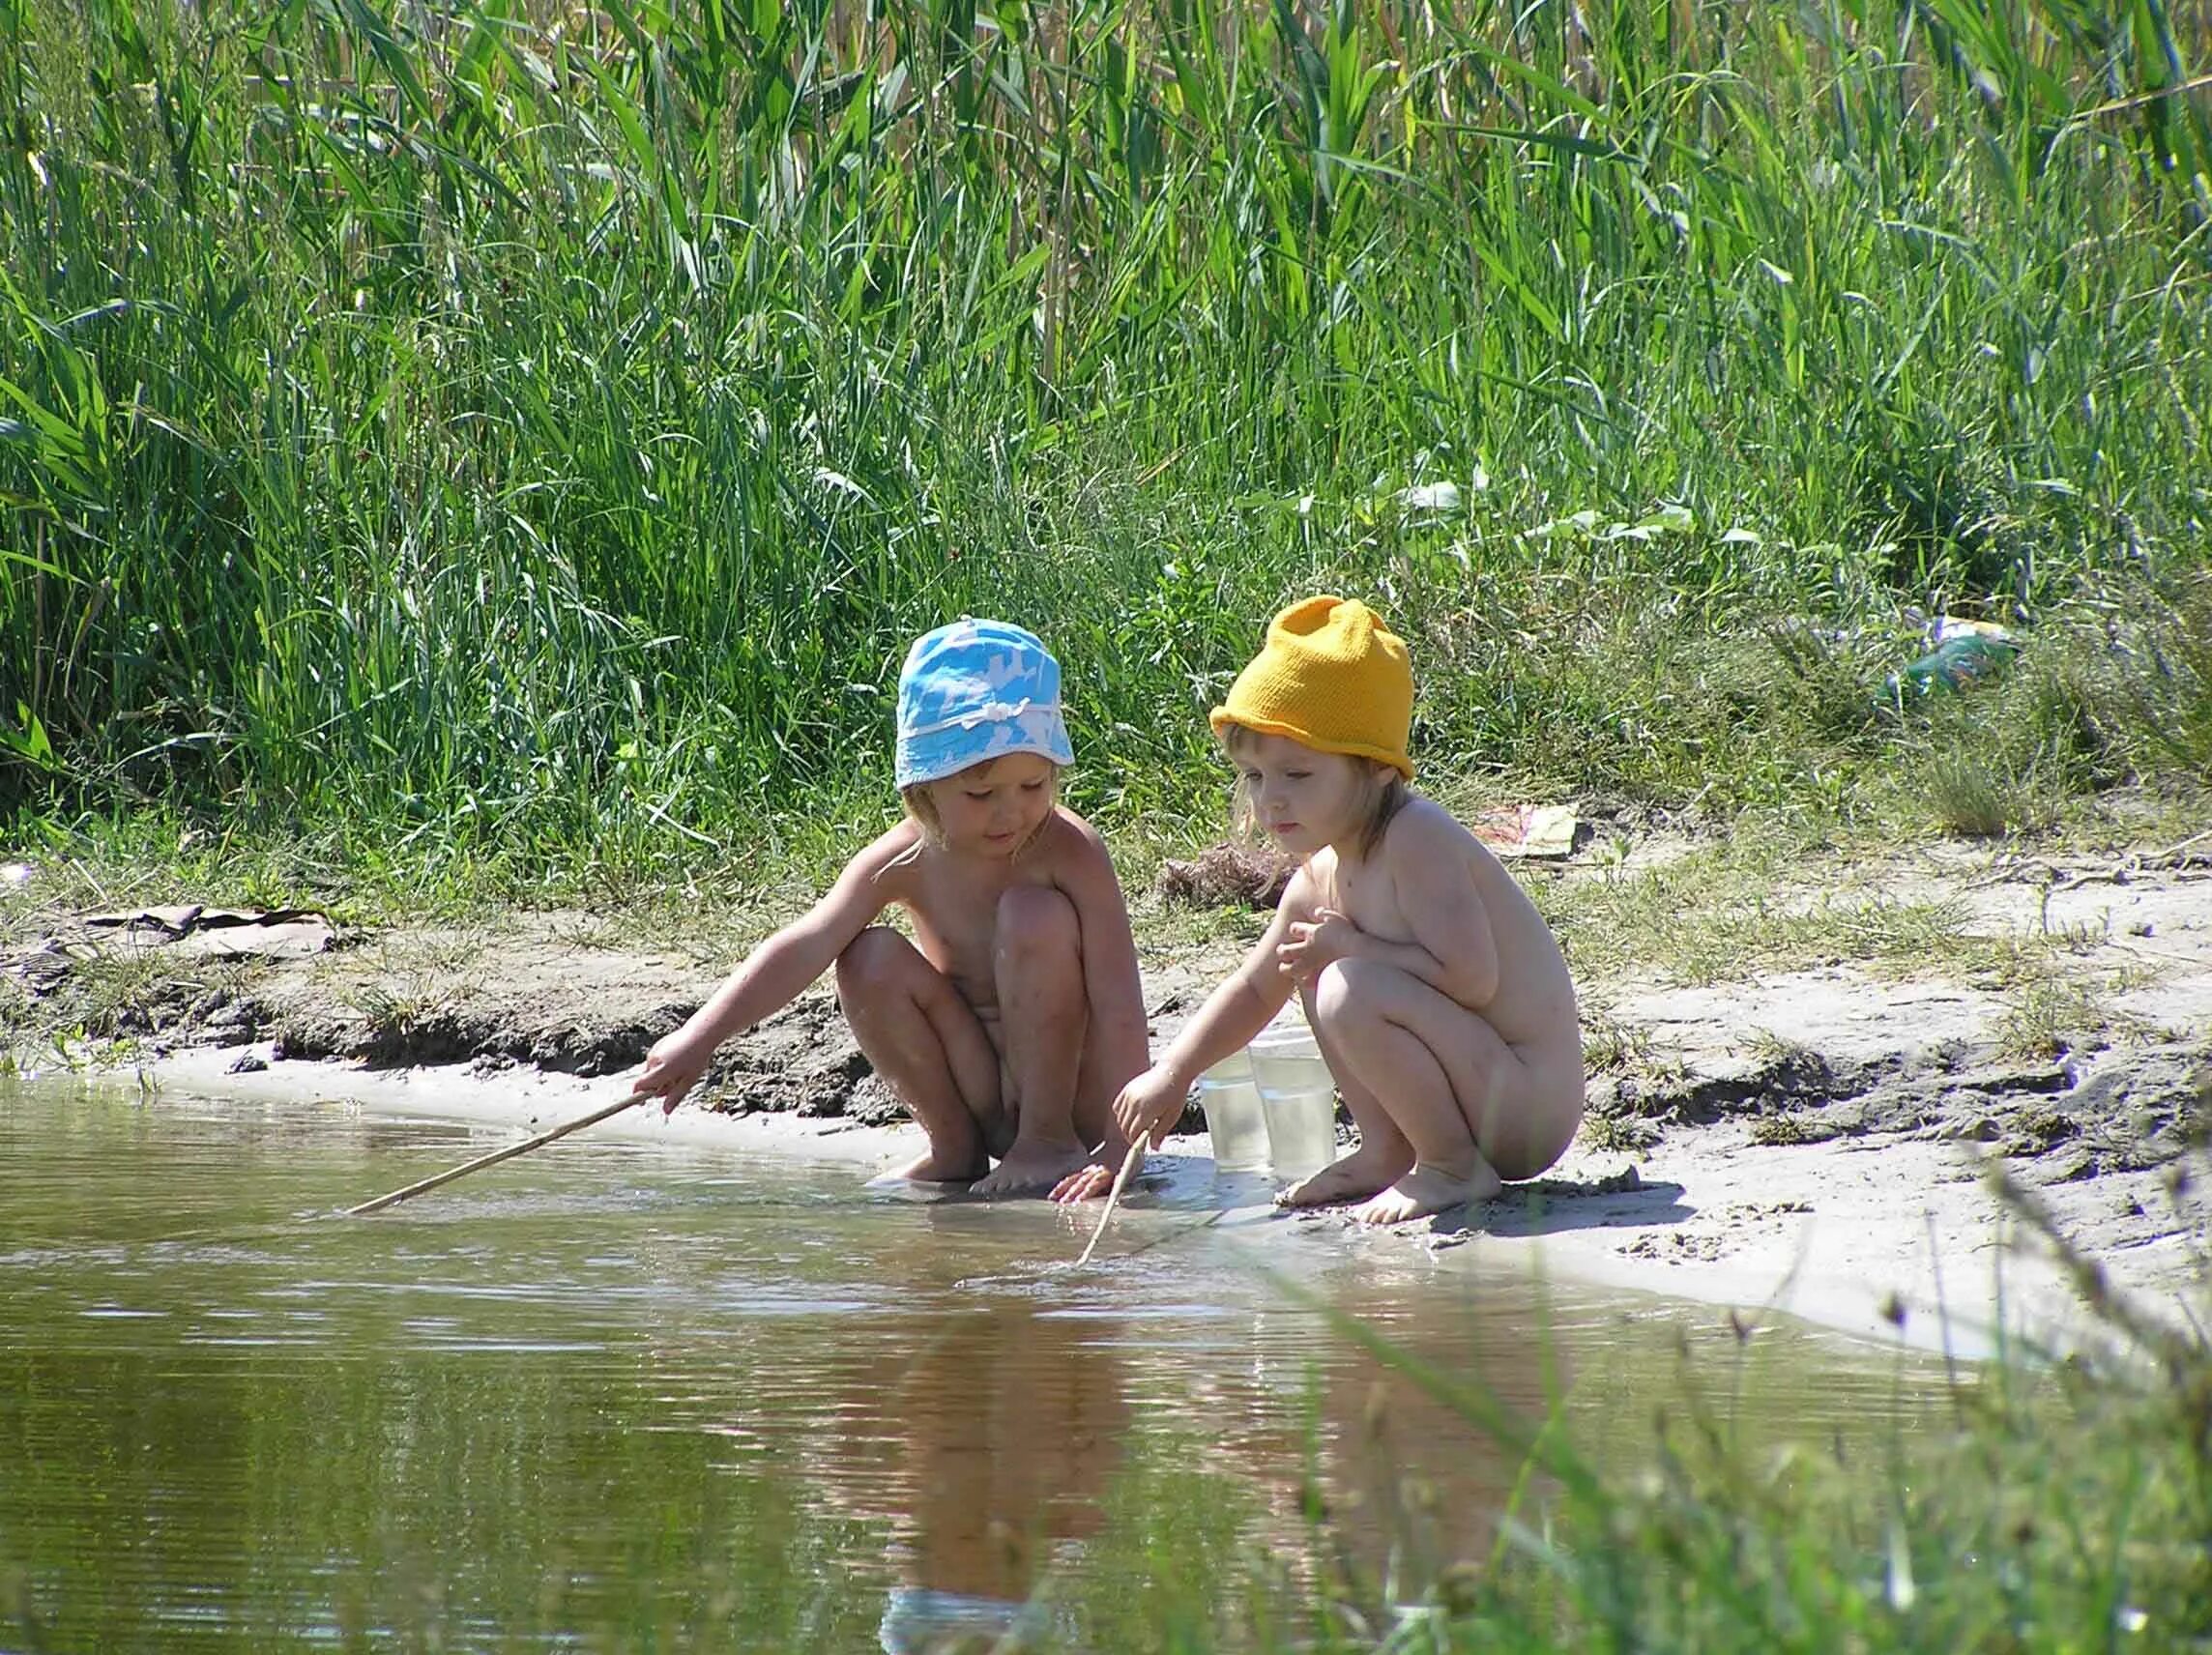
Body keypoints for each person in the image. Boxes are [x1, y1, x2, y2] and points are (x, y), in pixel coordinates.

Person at [1054, 595, 1584, 1223]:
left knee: (1344, 982)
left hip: (1523, 1105)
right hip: (1474, 1089)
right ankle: (1389, 1148)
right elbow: (1255, 989)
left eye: (1297, 775)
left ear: (1377, 769)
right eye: (1254, 777)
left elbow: (1472, 979)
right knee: (1312, 965)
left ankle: (1450, 1166)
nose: (1270, 800)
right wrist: (1172, 1073)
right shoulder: (1320, 877)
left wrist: (1349, 948)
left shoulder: (1417, 839)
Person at [630, 619, 1150, 1197]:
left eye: (1033, 786)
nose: (1010, 814)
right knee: (865, 955)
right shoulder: (904, 859)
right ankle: (954, 1147)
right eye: (981, 795)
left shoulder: (1070, 852)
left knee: (1034, 914)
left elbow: (1119, 1004)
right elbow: (805, 945)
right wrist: (701, 1037)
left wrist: (1122, 1147)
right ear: (923, 789)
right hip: (976, 1080)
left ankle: (1045, 1141)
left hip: (1071, 1097)